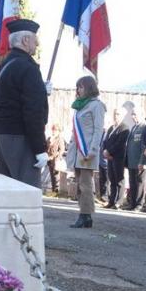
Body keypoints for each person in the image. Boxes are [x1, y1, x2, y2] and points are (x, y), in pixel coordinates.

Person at [0, 19, 50, 188]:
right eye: (34, 39)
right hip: (20, 137)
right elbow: (33, 110)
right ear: (25, 40)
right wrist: (39, 148)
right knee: (26, 196)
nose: (37, 44)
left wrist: (41, 91)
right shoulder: (28, 67)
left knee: (7, 193)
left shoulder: (4, 65)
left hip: (2, 134)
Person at [65, 76, 106, 228]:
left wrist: (94, 149)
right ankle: (83, 214)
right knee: (79, 184)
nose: (78, 90)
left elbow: (98, 129)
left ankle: (86, 215)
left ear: (89, 87)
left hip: (87, 151)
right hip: (78, 151)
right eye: (77, 87)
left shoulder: (96, 106)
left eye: (81, 87)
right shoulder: (80, 106)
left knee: (85, 184)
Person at [102, 107, 129, 209]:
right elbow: (106, 141)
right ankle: (111, 200)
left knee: (119, 180)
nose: (115, 116)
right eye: (115, 114)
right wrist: (105, 151)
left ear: (122, 115)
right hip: (109, 157)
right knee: (112, 179)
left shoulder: (124, 127)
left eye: (118, 114)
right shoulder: (111, 128)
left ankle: (119, 201)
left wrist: (109, 151)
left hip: (118, 157)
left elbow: (120, 143)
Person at [124, 108, 146, 210]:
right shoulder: (133, 127)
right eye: (132, 114)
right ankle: (132, 203)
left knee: (140, 182)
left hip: (139, 160)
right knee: (132, 182)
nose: (133, 116)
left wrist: (143, 161)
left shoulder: (144, 127)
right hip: (131, 160)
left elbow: (144, 145)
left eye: (135, 114)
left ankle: (139, 204)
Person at [46, 123, 66, 193]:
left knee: (56, 176)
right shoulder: (49, 138)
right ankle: (53, 190)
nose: (54, 131)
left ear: (58, 131)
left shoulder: (60, 139)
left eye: (55, 130)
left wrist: (57, 156)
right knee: (51, 175)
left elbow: (62, 150)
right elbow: (46, 148)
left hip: (56, 160)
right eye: (53, 129)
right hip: (49, 160)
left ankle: (57, 191)